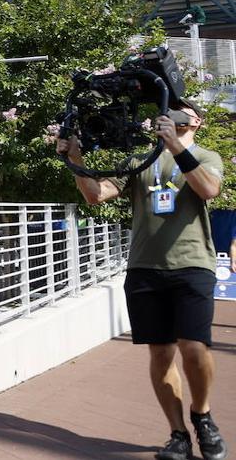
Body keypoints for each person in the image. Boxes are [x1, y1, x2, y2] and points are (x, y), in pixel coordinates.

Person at [58, 101, 227, 460]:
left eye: (179, 109)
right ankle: (178, 434)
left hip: (193, 264)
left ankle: (202, 414)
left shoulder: (206, 156)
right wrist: (74, 157)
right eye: (168, 108)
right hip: (144, 268)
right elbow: (95, 195)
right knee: (161, 353)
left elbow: (209, 189)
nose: (171, 112)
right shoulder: (140, 160)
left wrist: (175, 145)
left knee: (194, 347)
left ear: (196, 121)